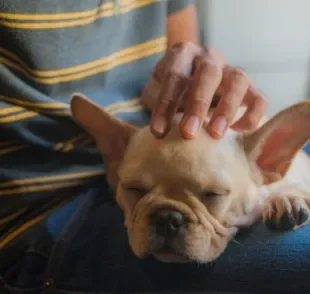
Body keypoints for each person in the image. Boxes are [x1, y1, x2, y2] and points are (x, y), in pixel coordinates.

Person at [0, 1, 309, 293]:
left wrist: (199, 72)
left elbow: (185, 62)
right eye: (137, 191)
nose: (170, 222)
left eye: (211, 195)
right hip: (45, 207)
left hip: (155, 148)